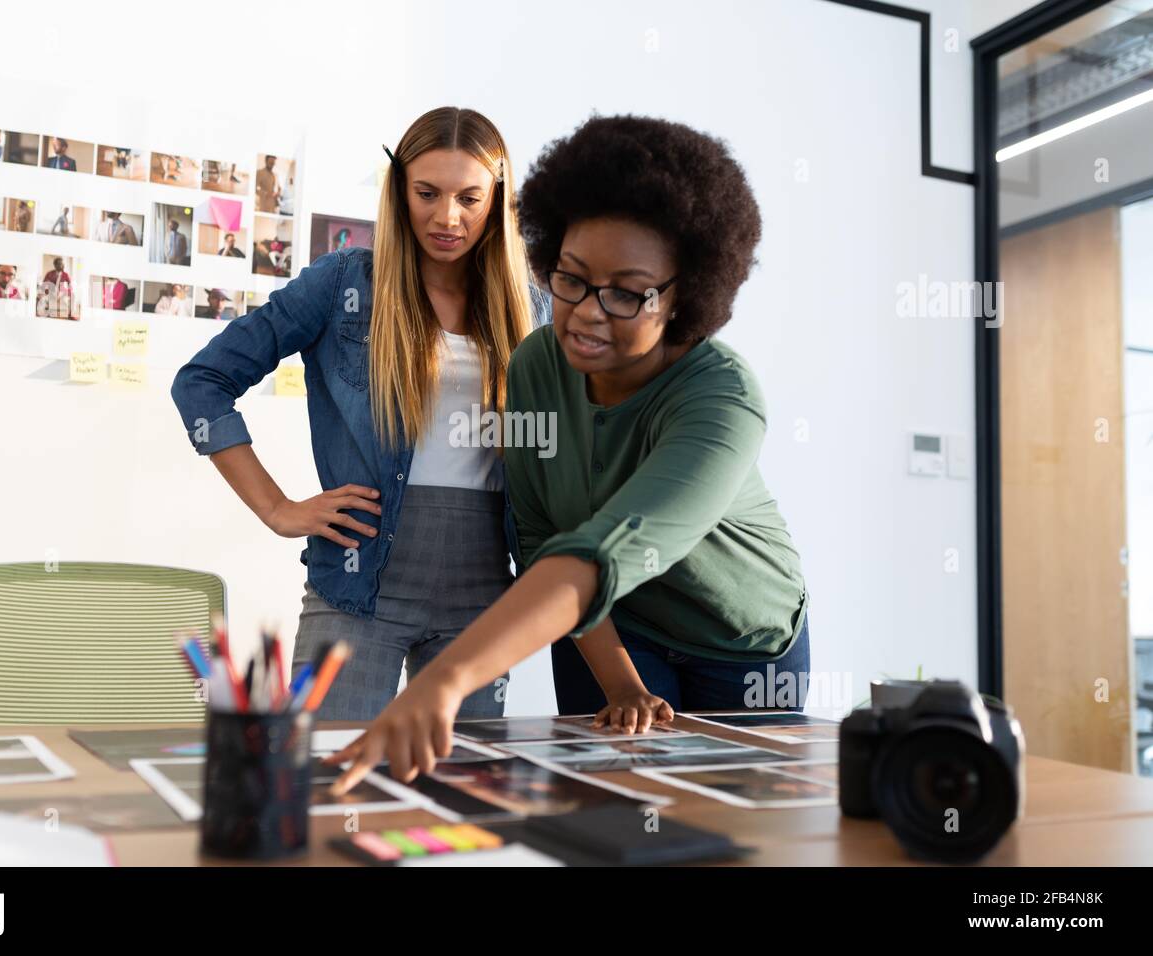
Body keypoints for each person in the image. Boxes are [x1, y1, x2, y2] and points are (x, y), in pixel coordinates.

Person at [328, 115, 810, 795]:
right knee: (608, 812)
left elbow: (613, 547)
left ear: (683, 298)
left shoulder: (722, 399)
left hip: (741, 640)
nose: (586, 311)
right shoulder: (535, 368)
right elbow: (543, 536)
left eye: (625, 292)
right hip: (603, 625)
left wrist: (447, 678)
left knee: (732, 821)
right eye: (572, 279)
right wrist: (621, 682)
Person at [171, 107, 545, 721]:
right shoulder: (343, 285)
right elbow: (202, 383)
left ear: (496, 200)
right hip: (357, 583)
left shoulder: (532, 311)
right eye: (426, 193)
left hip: (484, 596)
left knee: (464, 793)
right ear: (398, 190)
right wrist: (277, 509)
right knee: (325, 782)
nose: (447, 217)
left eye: (469, 198)